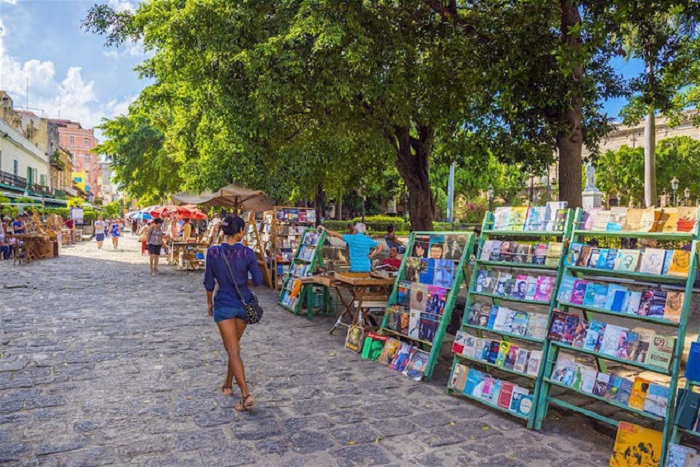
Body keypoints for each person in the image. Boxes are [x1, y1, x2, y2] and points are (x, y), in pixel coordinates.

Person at [203, 215, 262, 412]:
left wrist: (209, 303)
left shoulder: (212, 253)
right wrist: (245, 283)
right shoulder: (247, 252)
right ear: (240, 232)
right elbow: (259, 279)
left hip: (224, 304)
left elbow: (209, 282)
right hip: (243, 305)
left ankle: (246, 395)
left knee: (233, 350)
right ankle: (228, 383)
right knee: (234, 347)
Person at [320, 222, 384, 272]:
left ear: (355, 230)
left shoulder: (351, 238)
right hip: (366, 267)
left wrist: (325, 229)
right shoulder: (368, 239)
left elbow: (337, 234)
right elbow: (380, 246)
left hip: (355, 268)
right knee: (365, 286)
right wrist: (372, 255)